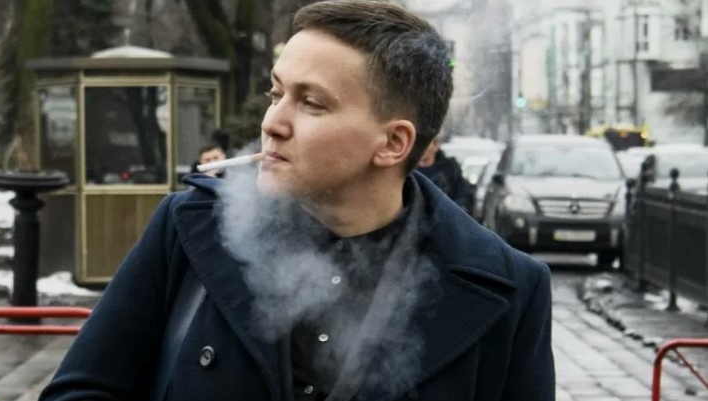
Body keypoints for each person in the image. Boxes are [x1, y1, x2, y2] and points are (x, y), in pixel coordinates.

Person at [39, 1, 554, 400]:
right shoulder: (189, 227)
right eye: (276, 93)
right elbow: (80, 390)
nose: (272, 123)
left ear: (393, 143)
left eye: (311, 102)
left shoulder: (509, 288)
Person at [415, 135, 476, 214]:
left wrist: (452, 212)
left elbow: (463, 195)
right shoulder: (407, 172)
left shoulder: (450, 170)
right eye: (418, 144)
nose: (421, 148)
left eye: (425, 143)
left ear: (436, 146)